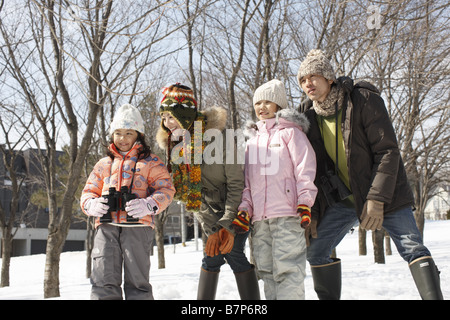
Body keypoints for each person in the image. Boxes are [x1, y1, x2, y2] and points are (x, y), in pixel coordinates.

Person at [297, 49, 444, 300]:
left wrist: (376, 200)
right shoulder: (307, 115)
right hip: (345, 201)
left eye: (314, 76)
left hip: (384, 194)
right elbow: (311, 169)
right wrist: (312, 213)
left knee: (413, 248)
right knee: (316, 251)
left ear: (329, 78)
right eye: (302, 79)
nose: (307, 83)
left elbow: (387, 152)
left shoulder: (362, 99)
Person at [156, 83, 260, 300]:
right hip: (209, 213)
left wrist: (227, 226)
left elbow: (236, 186)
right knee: (212, 257)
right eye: (164, 118)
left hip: (238, 207)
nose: (167, 124)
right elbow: (190, 196)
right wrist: (213, 229)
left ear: (185, 115)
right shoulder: (176, 150)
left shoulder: (220, 140)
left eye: (171, 117)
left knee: (233, 252)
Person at [80, 103, 175, 300]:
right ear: (112, 134)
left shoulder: (151, 162)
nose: (123, 139)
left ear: (138, 135)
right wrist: (91, 204)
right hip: (106, 227)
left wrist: (148, 204)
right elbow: (88, 191)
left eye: (129, 133)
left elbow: (166, 189)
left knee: (137, 282)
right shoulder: (103, 164)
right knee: (102, 280)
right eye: (118, 133)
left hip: (138, 227)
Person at [238, 79, 317, 300]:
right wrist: (245, 208)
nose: (261, 107)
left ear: (278, 105)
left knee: (288, 269)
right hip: (260, 220)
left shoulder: (290, 133)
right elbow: (247, 182)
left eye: (267, 102)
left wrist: (305, 200)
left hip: (287, 213)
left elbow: (305, 168)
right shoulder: (252, 142)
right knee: (266, 271)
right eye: (257, 103)